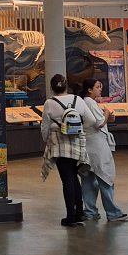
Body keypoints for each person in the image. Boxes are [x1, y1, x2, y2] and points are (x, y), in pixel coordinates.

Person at [41, 73, 97, 227]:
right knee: (74, 177)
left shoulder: (49, 103)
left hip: (59, 144)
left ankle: (70, 216)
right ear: (66, 86)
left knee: (67, 179)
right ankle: (80, 212)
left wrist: (47, 140)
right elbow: (91, 120)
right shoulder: (78, 100)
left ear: (52, 88)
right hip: (77, 143)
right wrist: (77, 128)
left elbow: (45, 127)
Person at [79, 79, 128, 222]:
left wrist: (107, 118)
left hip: (88, 146)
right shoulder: (90, 102)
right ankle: (112, 212)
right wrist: (106, 113)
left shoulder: (84, 102)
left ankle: (90, 211)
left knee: (88, 180)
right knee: (105, 178)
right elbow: (100, 123)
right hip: (97, 147)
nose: (100, 89)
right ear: (89, 90)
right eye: (97, 87)